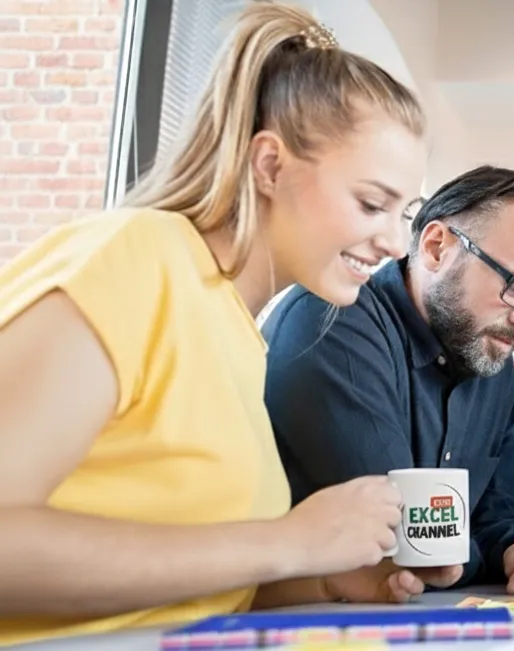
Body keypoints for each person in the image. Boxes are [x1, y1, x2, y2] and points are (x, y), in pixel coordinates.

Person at [0, 2, 437, 644]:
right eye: (373, 203)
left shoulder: (236, 332)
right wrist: (288, 541)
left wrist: (322, 578)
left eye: (406, 213)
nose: (396, 243)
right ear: (270, 165)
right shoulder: (138, 258)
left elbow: (181, 575)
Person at [263, 165, 514, 597]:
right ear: (437, 247)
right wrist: (482, 552)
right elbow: (407, 540)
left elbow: (500, 517)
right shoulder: (331, 320)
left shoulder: (489, 357)